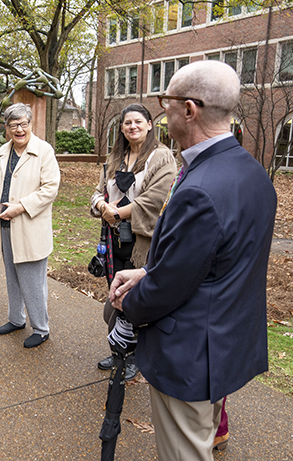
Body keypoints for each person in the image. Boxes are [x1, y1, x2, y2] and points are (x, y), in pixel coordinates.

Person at [109, 60, 277, 461]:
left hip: (190, 353)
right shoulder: (251, 172)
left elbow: (170, 287)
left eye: (165, 101)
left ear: (189, 109)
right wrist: (149, 270)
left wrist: (125, 305)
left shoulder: (199, 188)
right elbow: (215, 260)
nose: (161, 112)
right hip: (225, 340)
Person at [90, 104, 176, 380]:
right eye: (127, 123)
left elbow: (155, 199)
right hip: (114, 242)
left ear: (150, 124)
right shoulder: (116, 157)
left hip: (142, 243)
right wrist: (103, 207)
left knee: (133, 302)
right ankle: (119, 351)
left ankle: (135, 357)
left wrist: (116, 212)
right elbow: (97, 193)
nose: (132, 126)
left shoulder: (162, 158)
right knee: (115, 300)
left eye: (138, 121)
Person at [0, 103, 60, 348]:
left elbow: (50, 188)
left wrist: (21, 207)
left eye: (24, 124)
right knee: (12, 277)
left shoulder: (44, 151)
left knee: (32, 281)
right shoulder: (1, 153)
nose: (19, 129)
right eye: (13, 125)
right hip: (5, 226)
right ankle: (16, 319)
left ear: (30, 124)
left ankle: (41, 328)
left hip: (29, 227)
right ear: (6, 128)